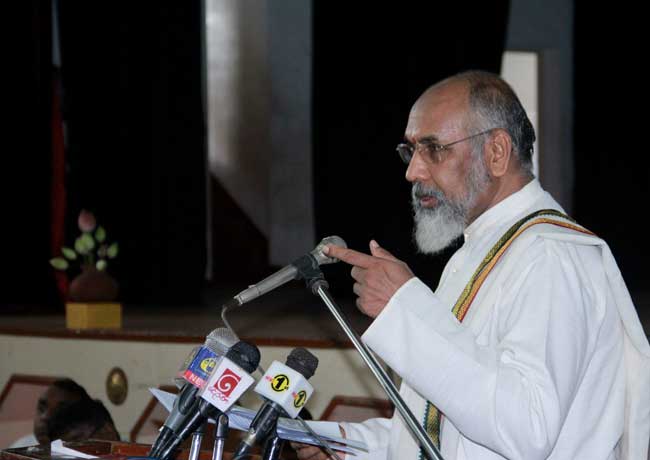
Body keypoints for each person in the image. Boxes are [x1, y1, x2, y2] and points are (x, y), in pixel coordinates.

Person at [292, 71, 650, 459]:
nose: (413, 172)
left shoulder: (551, 256)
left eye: (434, 149)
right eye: (411, 150)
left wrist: (405, 307)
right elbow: (444, 429)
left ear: (496, 152)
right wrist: (346, 445)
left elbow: (526, 428)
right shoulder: (481, 250)